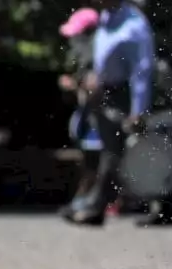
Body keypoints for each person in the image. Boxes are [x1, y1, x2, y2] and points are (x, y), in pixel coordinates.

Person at [66, 0, 158, 227]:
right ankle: (97, 206)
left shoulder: (133, 25)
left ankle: (97, 206)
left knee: (121, 153)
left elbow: (141, 69)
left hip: (126, 95)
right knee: (113, 151)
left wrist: (138, 110)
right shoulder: (108, 18)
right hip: (106, 93)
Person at [57, 7, 102, 220]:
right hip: (88, 116)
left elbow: (94, 88)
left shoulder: (96, 54)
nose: (73, 40)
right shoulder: (86, 58)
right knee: (90, 162)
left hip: (96, 119)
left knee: (93, 163)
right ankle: (83, 201)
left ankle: (86, 203)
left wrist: (74, 85)